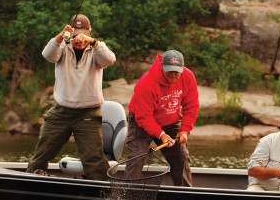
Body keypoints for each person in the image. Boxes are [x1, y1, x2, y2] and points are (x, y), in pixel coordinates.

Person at [26, 14, 117, 181]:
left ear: (89, 32)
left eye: (83, 35)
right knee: (42, 152)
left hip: (89, 113)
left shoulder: (97, 49)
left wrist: (93, 43)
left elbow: (110, 59)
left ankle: (103, 196)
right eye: (75, 35)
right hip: (62, 111)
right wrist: (62, 36)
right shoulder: (62, 47)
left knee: (94, 160)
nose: (79, 39)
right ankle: (32, 178)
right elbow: (47, 54)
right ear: (70, 34)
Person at [125, 50, 199, 186]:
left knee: (181, 158)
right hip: (141, 122)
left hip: (170, 122)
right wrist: (161, 135)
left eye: (176, 71)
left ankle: (184, 199)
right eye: (169, 70)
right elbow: (144, 117)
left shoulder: (188, 78)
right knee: (137, 157)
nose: (173, 75)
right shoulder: (147, 82)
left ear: (182, 69)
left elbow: (191, 107)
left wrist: (185, 130)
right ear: (161, 67)